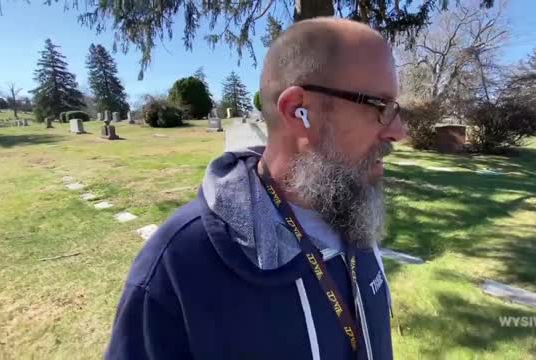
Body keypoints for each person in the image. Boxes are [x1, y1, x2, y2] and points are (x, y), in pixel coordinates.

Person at [106, 17, 406, 360]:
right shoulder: (177, 266)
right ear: (299, 111)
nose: (399, 131)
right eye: (379, 107)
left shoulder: (353, 212)